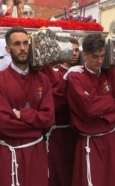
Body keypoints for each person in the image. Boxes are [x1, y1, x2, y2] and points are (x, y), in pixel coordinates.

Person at [0, 26, 55, 186]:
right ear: (8, 48)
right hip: (8, 153)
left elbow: (48, 118)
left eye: (26, 43)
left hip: (36, 151)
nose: (23, 48)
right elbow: (1, 123)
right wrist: (35, 120)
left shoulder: (43, 80)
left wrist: (20, 114)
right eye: (17, 44)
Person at [67, 33, 115, 186]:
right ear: (84, 55)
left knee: (112, 179)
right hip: (90, 140)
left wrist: (99, 107)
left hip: (112, 138)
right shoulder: (76, 77)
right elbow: (88, 108)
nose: (100, 60)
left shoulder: (110, 73)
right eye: (95, 56)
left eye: (102, 55)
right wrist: (109, 100)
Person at [46, 38, 81, 186]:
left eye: (76, 50)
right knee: (59, 173)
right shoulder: (55, 73)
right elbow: (54, 103)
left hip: (77, 132)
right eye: (71, 50)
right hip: (58, 133)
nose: (74, 54)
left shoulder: (81, 72)